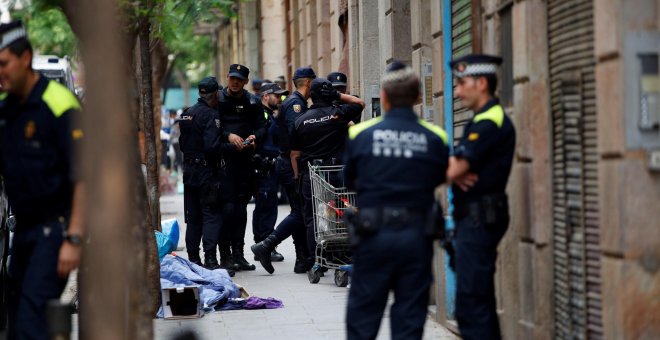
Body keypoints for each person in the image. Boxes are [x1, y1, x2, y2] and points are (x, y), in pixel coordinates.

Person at [343, 61, 450, 340]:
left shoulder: (359, 135)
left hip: (372, 235)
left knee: (363, 317)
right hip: (416, 237)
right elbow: (439, 177)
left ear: (386, 97)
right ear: (417, 98)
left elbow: (349, 181)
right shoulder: (435, 137)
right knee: (409, 318)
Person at [0, 21, 85, 339]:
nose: (0, 73)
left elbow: (83, 177)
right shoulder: (7, 109)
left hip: (57, 230)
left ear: (25, 59)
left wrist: (73, 238)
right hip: (23, 231)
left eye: (3, 64)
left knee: (31, 318)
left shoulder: (59, 103)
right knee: (17, 314)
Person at [445, 54, 516, 340]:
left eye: (462, 83)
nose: (458, 91)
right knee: (478, 302)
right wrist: (452, 169)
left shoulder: (489, 122)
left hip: (479, 221)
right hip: (475, 220)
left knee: (473, 306)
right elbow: (454, 169)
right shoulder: (481, 120)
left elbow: (456, 168)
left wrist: (451, 169)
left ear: (482, 83)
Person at [289, 77, 364, 260]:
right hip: (337, 171)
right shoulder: (338, 114)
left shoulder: (300, 121)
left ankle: (317, 259)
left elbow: (295, 154)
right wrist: (337, 95)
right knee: (341, 213)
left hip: (312, 174)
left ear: (311, 96)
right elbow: (360, 103)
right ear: (330, 94)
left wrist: (297, 176)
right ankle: (341, 255)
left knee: (313, 217)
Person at [250, 67, 316, 274]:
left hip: (286, 163)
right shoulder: (296, 104)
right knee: (298, 211)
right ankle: (266, 245)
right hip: (290, 164)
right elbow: (298, 135)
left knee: (299, 211)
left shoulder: (293, 102)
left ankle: (301, 258)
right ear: (308, 83)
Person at [179, 76, 236, 274]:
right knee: (211, 215)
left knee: (193, 216)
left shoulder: (187, 114)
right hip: (206, 173)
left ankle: (194, 259)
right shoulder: (211, 115)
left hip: (189, 171)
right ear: (215, 94)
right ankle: (211, 259)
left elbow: (181, 144)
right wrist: (232, 147)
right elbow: (212, 147)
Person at [217, 63, 265, 272]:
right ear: (227, 77)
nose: (235, 82)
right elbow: (210, 126)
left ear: (245, 81)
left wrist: (255, 138)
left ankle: (239, 254)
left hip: (245, 162)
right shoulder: (217, 99)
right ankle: (225, 255)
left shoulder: (253, 102)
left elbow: (263, 127)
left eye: (239, 79)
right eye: (232, 78)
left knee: (241, 209)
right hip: (224, 162)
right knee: (227, 209)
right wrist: (228, 135)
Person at [252, 83, 289, 262]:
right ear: (266, 96)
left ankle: (261, 244)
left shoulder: (269, 114)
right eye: (277, 96)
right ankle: (264, 245)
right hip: (265, 166)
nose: (280, 99)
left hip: (271, 166)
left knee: (266, 205)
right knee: (266, 206)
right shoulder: (263, 115)